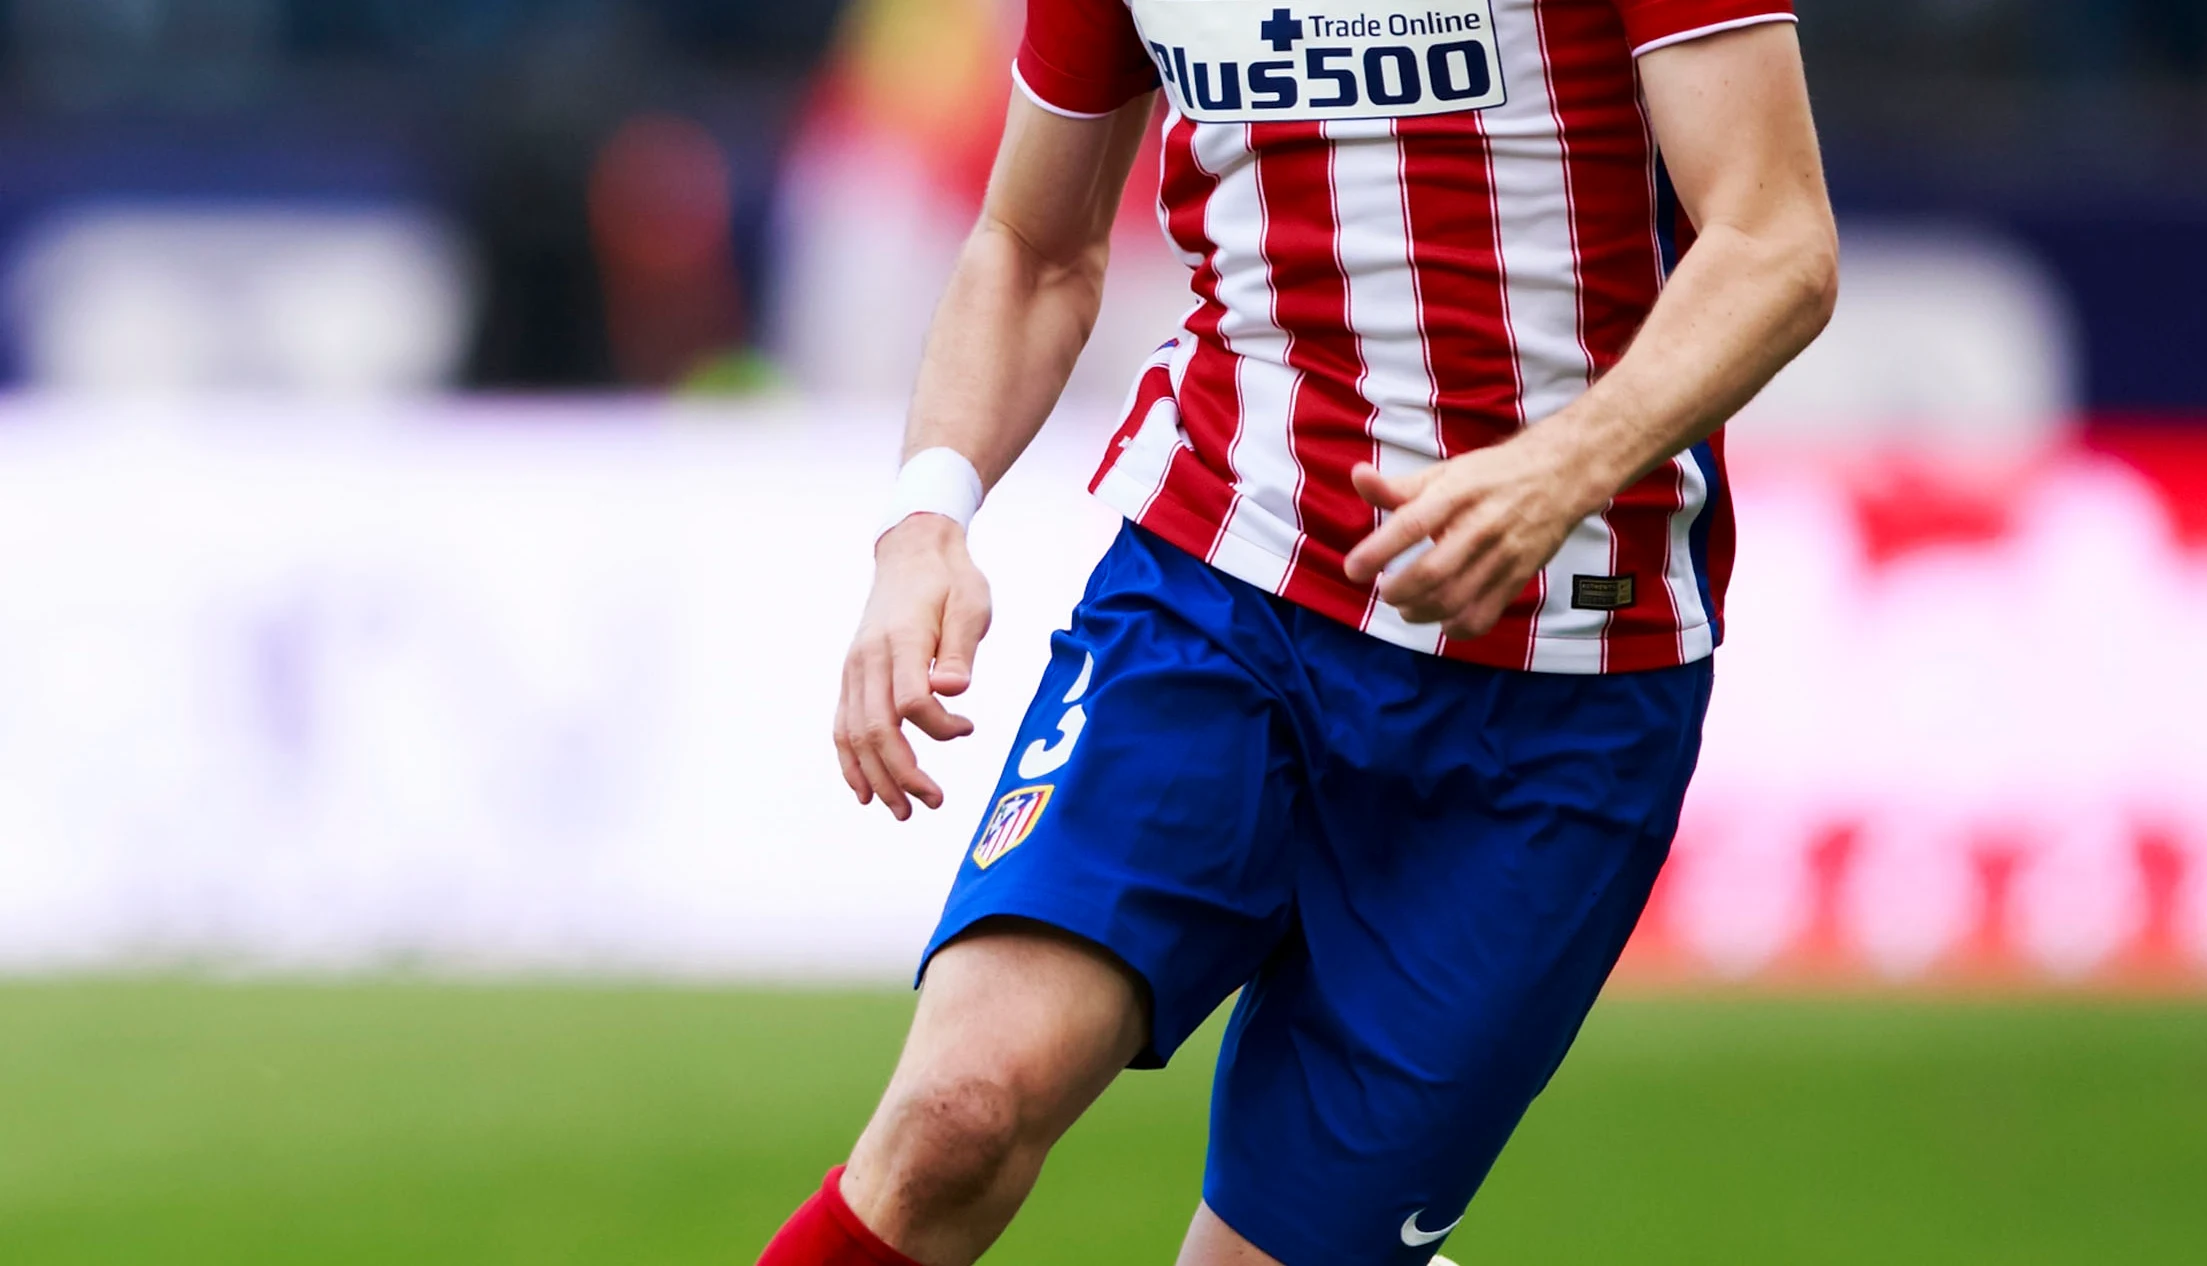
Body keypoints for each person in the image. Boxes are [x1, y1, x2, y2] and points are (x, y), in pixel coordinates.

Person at [763, 1, 1836, 1263]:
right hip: (1221, 590)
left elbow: (1776, 243)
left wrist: (1562, 470)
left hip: (1565, 693)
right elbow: (1032, 246)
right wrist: (925, 522)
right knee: (956, 1112)